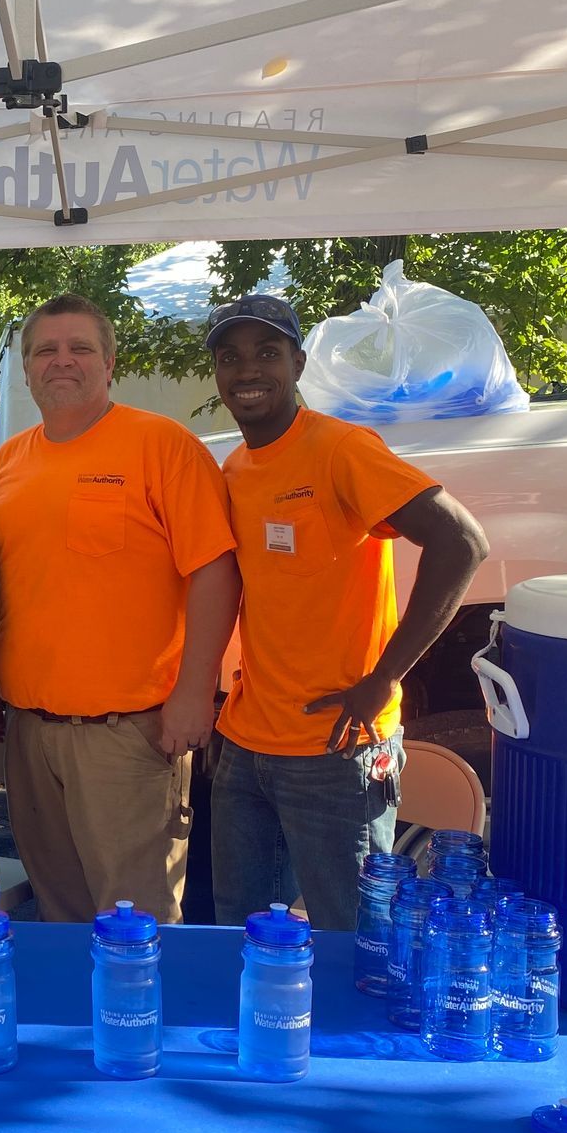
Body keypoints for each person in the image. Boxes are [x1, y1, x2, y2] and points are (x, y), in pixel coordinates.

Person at [205, 294, 489, 931]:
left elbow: (462, 543)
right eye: (230, 357)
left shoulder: (340, 450)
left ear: (298, 364)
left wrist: (384, 679)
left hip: (337, 746)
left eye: (267, 353)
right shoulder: (236, 467)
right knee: (243, 931)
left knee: (352, 936)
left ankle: (355, 1037)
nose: (248, 370)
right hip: (248, 741)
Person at [0, 293, 240, 924]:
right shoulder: (10, 461)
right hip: (28, 732)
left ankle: (141, 1027)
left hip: (129, 735)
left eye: (80, 348)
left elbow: (216, 572)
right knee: (60, 914)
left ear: (110, 362)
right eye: (46, 349)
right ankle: (73, 1027)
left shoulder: (162, 446)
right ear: (26, 367)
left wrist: (193, 694)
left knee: (136, 922)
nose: (61, 361)